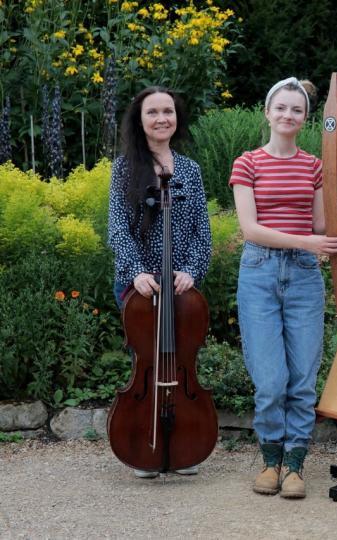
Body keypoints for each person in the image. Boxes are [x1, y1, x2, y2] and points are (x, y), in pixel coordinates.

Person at [229, 77, 337, 499]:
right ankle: (269, 460)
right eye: (281, 107)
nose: (288, 115)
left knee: (301, 378)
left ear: (305, 118)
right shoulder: (247, 163)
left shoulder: (314, 165)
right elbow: (250, 229)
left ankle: (295, 465)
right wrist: (307, 242)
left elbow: (321, 227)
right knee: (270, 380)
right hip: (259, 274)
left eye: (296, 110)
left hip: (303, 276)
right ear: (267, 111)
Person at [107, 86, 212, 479]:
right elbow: (117, 228)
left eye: (168, 111)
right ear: (140, 120)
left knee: (179, 358)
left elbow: (202, 230)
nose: (162, 118)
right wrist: (136, 271)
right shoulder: (124, 169)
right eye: (153, 112)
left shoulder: (190, 171)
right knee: (146, 359)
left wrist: (192, 270)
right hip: (140, 286)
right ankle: (144, 443)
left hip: (180, 286)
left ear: (176, 118)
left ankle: (185, 442)